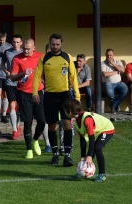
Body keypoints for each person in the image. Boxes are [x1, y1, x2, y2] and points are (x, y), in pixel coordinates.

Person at [32, 33, 80, 167]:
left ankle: (67, 156)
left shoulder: (67, 58)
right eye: (53, 44)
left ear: (61, 44)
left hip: (65, 96)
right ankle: (54, 154)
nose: (55, 47)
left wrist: (77, 97)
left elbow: (73, 78)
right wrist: (35, 92)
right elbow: (36, 76)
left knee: (67, 124)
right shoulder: (44, 58)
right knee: (52, 126)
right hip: (49, 96)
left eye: (57, 44)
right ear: (50, 44)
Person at [62, 98, 115, 182]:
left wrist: (89, 155)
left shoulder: (87, 120)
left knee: (97, 148)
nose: (64, 113)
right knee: (91, 151)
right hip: (97, 131)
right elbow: (82, 139)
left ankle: (102, 174)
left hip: (107, 129)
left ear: (70, 112)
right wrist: (83, 156)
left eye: (65, 111)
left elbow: (91, 138)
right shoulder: (76, 121)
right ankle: (82, 171)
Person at [10, 38, 44, 159]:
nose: (25, 50)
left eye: (28, 49)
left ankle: (35, 140)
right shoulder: (17, 58)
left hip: (38, 92)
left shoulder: (40, 57)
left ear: (34, 48)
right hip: (23, 93)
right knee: (28, 122)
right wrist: (22, 73)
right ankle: (29, 149)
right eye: (24, 48)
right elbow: (12, 77)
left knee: (42, 120)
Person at [1, 34, 23, 140]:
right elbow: (2, 64)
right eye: (14, 42)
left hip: (21, 83)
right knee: (12, 105)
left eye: (18, 42)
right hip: (10, 82)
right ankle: (14, 129)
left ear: (21, 43)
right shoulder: (8, 52)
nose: (15, 44)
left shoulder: (24, 53)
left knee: (19, 108)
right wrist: (6, 71)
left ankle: (17, 126)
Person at [101, 49, 128, 114]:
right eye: (107, 55)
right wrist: (116, 71)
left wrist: (112, 63)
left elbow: (122, 71)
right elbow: (105, 74)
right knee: (109, 91)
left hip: (119, 83)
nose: (109, 57)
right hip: (108, 83)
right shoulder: (103, 63)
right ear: (105, 55)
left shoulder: (118, 62)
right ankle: (114, 106)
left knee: (126, 90)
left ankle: (113, 105)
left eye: (110, 55)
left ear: (113, 55)